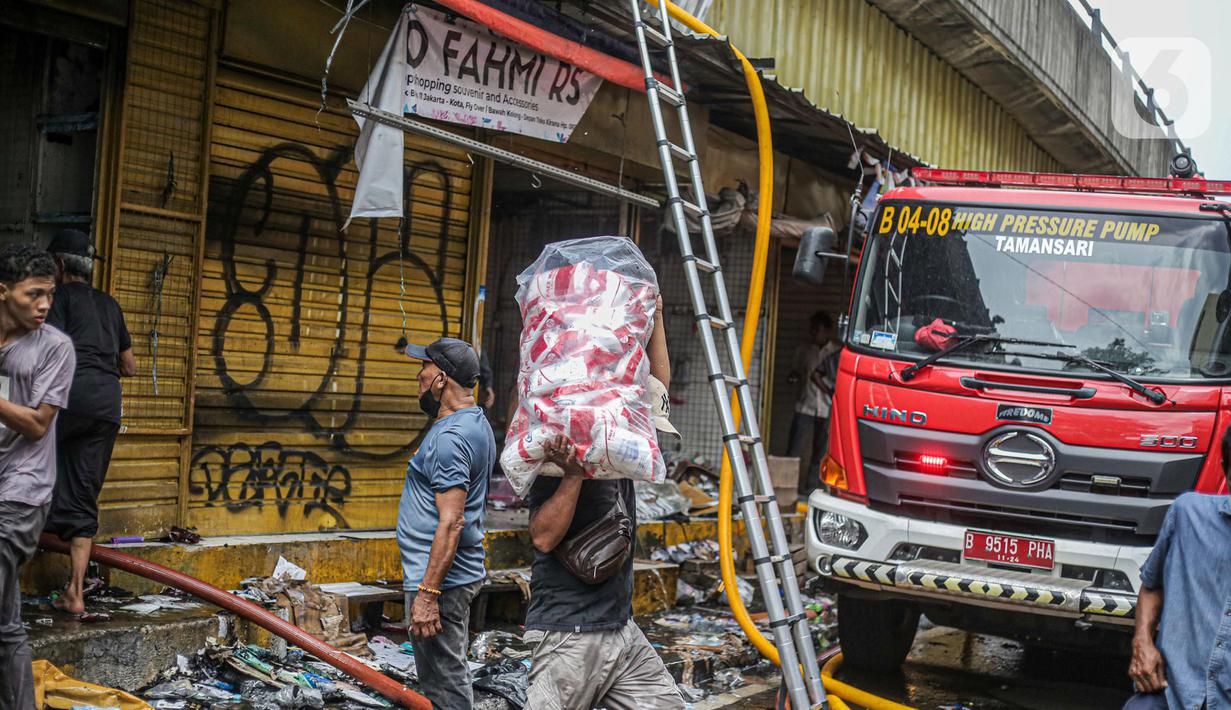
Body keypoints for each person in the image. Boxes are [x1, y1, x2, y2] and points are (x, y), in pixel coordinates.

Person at [523, 293, 682, 710]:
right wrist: (575, 474)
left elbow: (658, 390)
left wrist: (657, 316)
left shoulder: (621, 437)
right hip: (569, 635)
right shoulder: (556, 445)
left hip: (620, 630)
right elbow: (542, 537)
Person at [41, 229, 136, 615]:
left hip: (67, 398)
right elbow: (130, 366)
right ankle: (75, 594)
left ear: (59, 266)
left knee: (20, 474)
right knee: (83, 499)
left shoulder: (57, 299)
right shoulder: (110, 305)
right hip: (106, 405)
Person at [398, 337, 494, 710]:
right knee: (443, 677)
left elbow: (452, 522)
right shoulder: (475, 423)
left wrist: (427, 595)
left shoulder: (451, 438)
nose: (419, 376)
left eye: (424, 368)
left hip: (441, 580)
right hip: (453, 575)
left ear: (440, 379)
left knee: (444, 685)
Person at [0, 244, 76, 710]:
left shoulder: (55, 347)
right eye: (34, 294)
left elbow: (36, 424)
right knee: (5, 622)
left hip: (22, 492)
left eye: (49, 294)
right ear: (4, 291)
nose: (44, 305)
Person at [1125, 428, 1231, 710]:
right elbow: (1152, 586)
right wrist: (1143, 640)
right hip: (1174, 695)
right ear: (1225, 471)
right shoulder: (1188, 515)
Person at [787, 312, 840, 495]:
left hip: (826, 409)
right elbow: (795, 372)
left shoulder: (836, 352)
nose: (813, 333)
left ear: (827, 331)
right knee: (794, 450)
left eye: (816, 329)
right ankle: (788, 489)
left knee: (820, 453)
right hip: (805, 406)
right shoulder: (803, 351)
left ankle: (809, 490)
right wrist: (793, 377)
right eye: (812, 329)